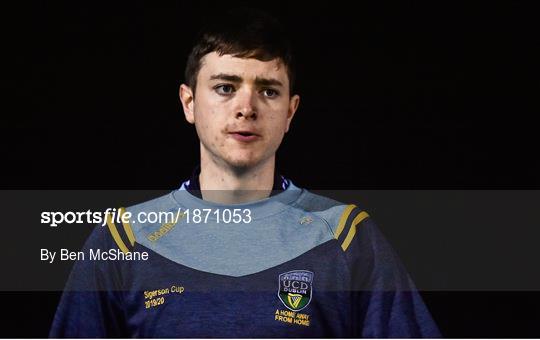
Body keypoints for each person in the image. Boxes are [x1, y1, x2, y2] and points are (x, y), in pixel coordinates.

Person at [50, 8, 440, 338]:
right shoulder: (123, 237)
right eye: (225, 87)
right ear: (189, 103)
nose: (246, 107)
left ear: (290, 111)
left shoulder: (346, 236)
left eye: (268, 91)